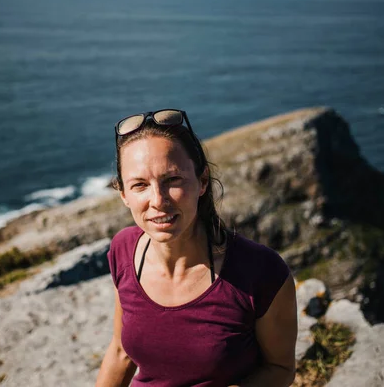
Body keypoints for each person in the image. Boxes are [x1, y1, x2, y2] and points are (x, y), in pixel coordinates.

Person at [96, 109, 298, 387]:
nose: (157, 200)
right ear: (123, 195)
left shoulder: (261, 271)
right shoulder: (124, 250)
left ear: (202, 182)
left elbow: (280, 368)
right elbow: (120, 352)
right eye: (139, 185)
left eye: (173, 180)